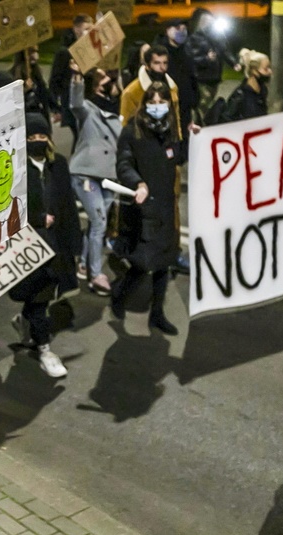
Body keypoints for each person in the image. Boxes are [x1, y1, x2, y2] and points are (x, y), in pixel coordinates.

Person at [9, 113, 80, 378]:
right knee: (37, 296)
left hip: (54, 245)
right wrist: (38, 218)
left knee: (44, 296)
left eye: (42, 136)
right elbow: (8, 206)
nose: (37, 141)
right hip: (28, 243)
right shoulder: (17, 168)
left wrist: (75, 244)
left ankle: (35, 333)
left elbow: (68, 205)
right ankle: (42, 345)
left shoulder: (58, 164)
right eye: (31, 137)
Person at [112, 82, 183, 335]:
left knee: (164, 262)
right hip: (141, 209)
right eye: (151, 102)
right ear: (144, 104)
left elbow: (179, 156)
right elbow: (123, 164)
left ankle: (157, 314)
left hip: (164, 207)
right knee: (142, 263)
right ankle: (118, 296)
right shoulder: (132, 131)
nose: (156, 107)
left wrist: (197, 136)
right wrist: (137, 182)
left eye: (161, 102)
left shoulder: (171, 131)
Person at [69, 68, 122, 296]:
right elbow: (75, 103)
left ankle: (82, 261)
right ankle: (96, 274)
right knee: (99, 222)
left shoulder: (118, 113)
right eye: (101, 77)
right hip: (86, 175)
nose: (107, 80)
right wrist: (77, 78)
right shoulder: (88, 109)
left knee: (95, 222)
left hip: (109, 177)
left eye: (108, 77)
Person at [183, 8, 239, 123]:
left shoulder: (216, 37)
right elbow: (192, 59)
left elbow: (224, 50)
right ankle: (200, 128)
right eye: (205, 20)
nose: (209, 23)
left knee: (209, 104)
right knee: (203, 107)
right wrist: (206, 59)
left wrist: (233, 63)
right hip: (202, 79)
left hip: (214, 77)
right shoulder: (194, 39)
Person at [49, 14, 93, 140]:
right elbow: (54, 81)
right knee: (80, 137)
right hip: (72, 103)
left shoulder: (91, 51)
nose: (91, 33)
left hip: (88, 100)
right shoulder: (65, 53)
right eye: (87, 29)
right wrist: (56, 108)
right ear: (76, 29)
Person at [120, 45, 181, 135]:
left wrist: (177, 139)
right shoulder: (132, 92)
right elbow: (125, 125)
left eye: (165, 63)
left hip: (168, 141)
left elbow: (176, 120)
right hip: (143, 141)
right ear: (147, 65)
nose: (162, 67)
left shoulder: (172, 87)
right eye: (157, 63)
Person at [154, 18, 196, 140]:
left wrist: (194, 97)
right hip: (168, 102)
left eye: (184, 29)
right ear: (167, 31)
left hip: (185, 103)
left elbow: (191, 75)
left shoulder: (187, 50)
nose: (182, 32)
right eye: (177, 29)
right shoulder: (160, 52)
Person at [221, 48, 270, 123]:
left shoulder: (263, 89)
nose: (270, 71)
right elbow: (227, 120)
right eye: (266, 69)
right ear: (254, 70)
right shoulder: (240, 96)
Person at [11, 46, 55, 124]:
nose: (35, 55)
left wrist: (56, 108)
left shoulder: (36, 73)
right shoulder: (13, 75)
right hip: (26, 119)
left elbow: (44, 92)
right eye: (32, 51)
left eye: (36, 51)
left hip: (40, 116)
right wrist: (26, 90)